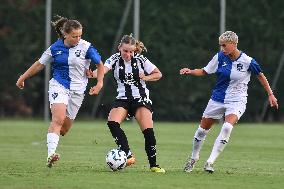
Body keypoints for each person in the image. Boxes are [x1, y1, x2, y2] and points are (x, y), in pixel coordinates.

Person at [180, 31, 278, 173]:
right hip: (217, 99)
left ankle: (210, 162)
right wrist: (190, 71)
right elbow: (205, 71)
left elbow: (261, 76)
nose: (222, 49)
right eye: (220, 46)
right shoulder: (219, 57)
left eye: (224, 45)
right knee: (201, 131)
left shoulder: (248, 61)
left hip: (237, 100)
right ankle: (193, 158)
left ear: (234, 44)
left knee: (227, 127)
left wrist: (270, 94)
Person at [16, 16, 104, 168]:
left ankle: (53, 139)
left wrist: (99, 83)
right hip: (59, 86)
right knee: (58, 119)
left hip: (78, 91)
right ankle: (51, 155)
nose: (78, 39)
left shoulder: (86, 47)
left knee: (64, 129)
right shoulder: (55, 48)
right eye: (74, 36)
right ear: (65, 34)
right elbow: (39, 64)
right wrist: (22, 77)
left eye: (80, 36)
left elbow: (100, 65)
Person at [89, 34, 165, 173]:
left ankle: (154, 165)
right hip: (123, 98)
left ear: (135, 50)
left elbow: (158, 74)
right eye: (125, 51)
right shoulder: (114, 59)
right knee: (112, 122)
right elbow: (102, 70)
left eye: (131, 51)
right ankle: (127, 153)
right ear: (120, 48)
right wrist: (92, 74)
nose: (128, 54)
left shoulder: (141, 60)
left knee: (148, 131)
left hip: (140, 98)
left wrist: (147, 77)